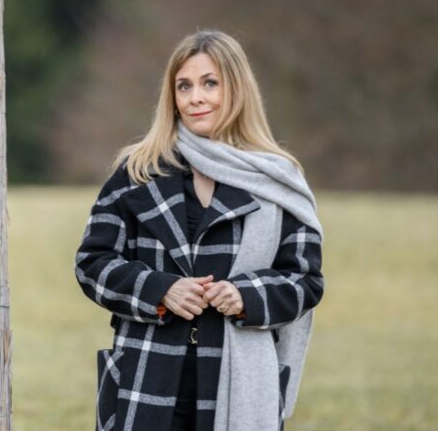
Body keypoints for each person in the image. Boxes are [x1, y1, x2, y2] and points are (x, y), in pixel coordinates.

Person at [75, 30, 324, 431]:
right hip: (145, 375)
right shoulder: (138, 171)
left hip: (240, 382)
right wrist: (160, 290)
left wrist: (246, 295)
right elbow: (93, 263)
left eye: (210, 83)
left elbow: (305, 281)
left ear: (237, 89)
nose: (195, 98)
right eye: (184, 86)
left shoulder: (277, 180)